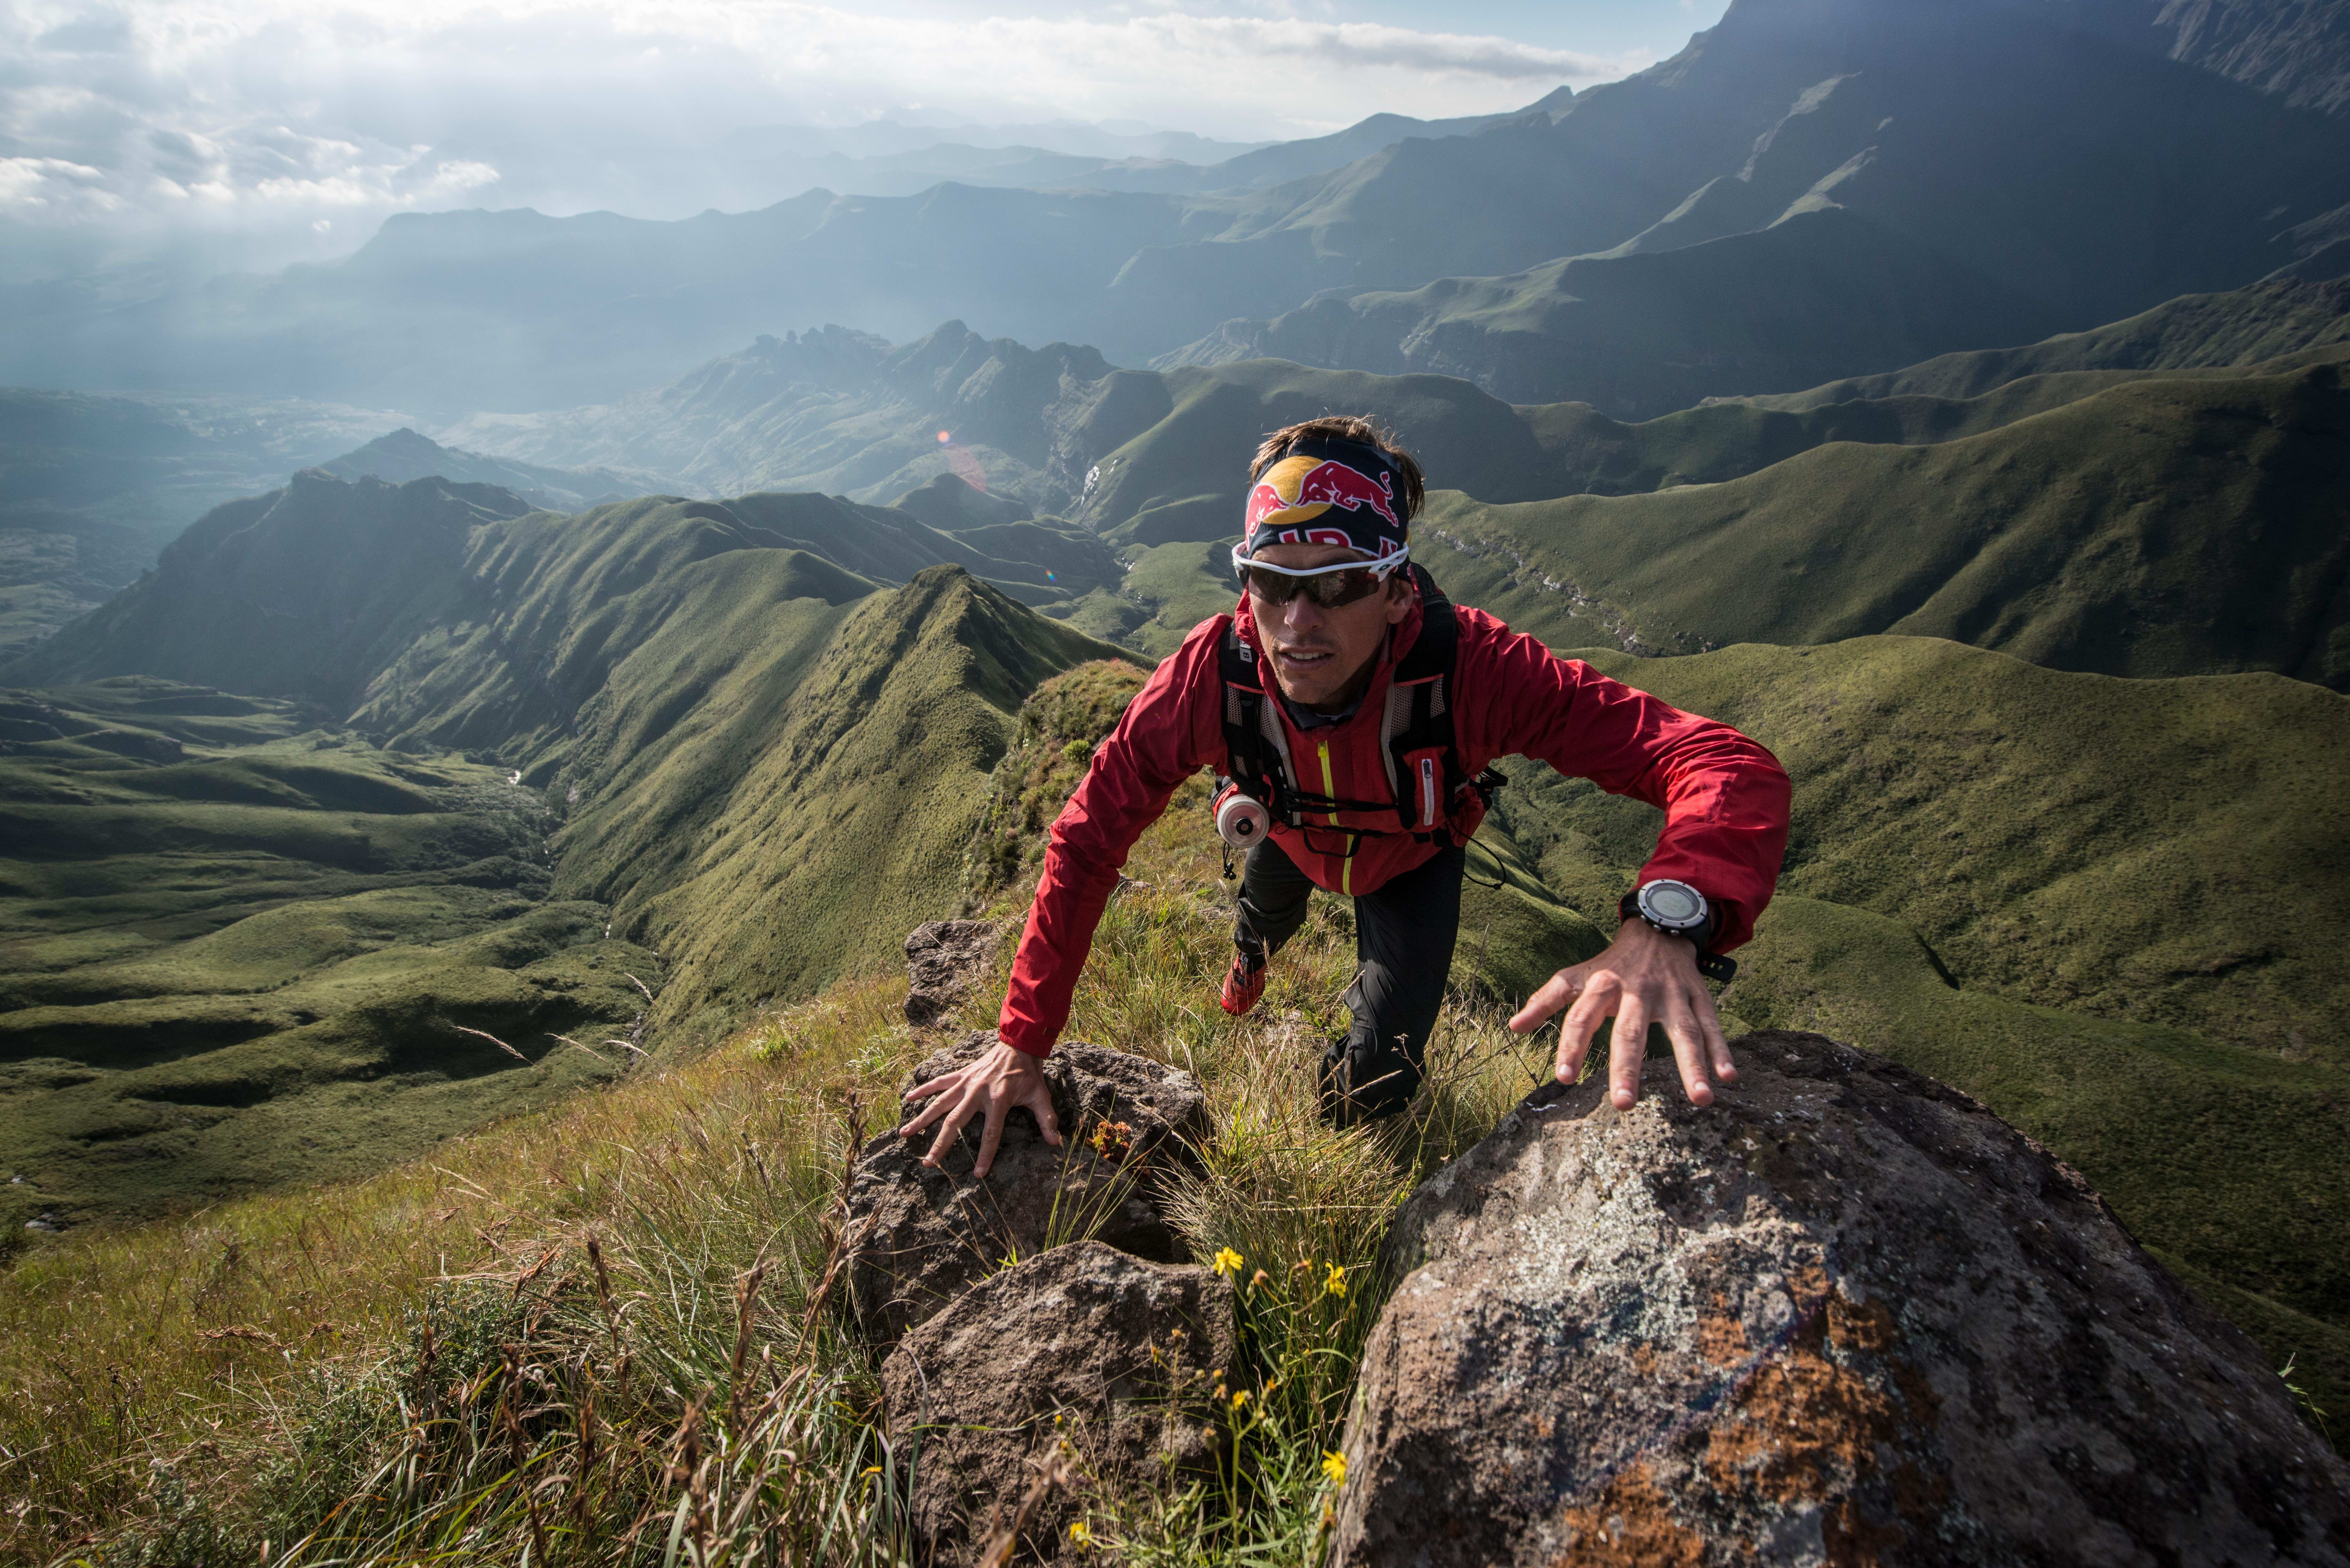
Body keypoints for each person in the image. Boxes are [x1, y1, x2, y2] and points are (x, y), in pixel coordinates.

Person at [901, 416, 1792, 1177]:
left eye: (1339, 584)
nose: (1299, 621)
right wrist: (1023, 1039)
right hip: (1285, 834)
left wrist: (1670, 918)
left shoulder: (1471, 670)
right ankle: (1246, 971)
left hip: (1409, 862)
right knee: (1261, 919)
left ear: (1399, 589)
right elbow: (1087, 838)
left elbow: (1724, 762)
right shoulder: (1214, 675)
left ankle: (1321, 1130)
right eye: (1274, 583)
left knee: (1385, 1074)